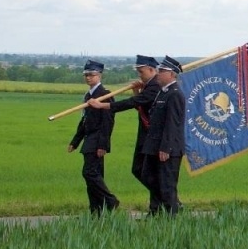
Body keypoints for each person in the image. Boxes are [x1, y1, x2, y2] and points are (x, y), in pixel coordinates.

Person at [90, 54, 163, 212]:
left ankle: (164, 202)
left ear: (151, 70)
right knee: (138, 170)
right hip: (144, 134)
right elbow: (142, 104)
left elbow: (133, 103)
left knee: (148, 173)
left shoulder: (155, 86)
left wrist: (103, 105)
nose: (139, 75)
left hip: (153, 136)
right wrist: (137, 91)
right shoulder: (148, 86)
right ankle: (162, 201)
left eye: (141, 71)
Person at [69, 60, 118, 215]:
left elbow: (108, 122)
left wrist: (103, 145)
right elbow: (84, 120)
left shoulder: (105, 95)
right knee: (94, 177)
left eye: (91, 74)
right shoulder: (88, 95)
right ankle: (96, 210)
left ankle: (110, 201)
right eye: (86, 75)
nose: (88, 77)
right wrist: (75, 141)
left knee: (90, 173)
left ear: (99, 75)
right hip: (88, 138)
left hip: (97, 140)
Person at [142, 56, 186, 215]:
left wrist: (166, 148)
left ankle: (171, 216)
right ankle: (156, 210)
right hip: (154, 145)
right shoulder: (162, 92)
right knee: (148, 177)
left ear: (172, 74)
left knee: (167, 184)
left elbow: (172, 124)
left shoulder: (175, 94)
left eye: (162, 71)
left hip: (168, 149)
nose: (158, 74)